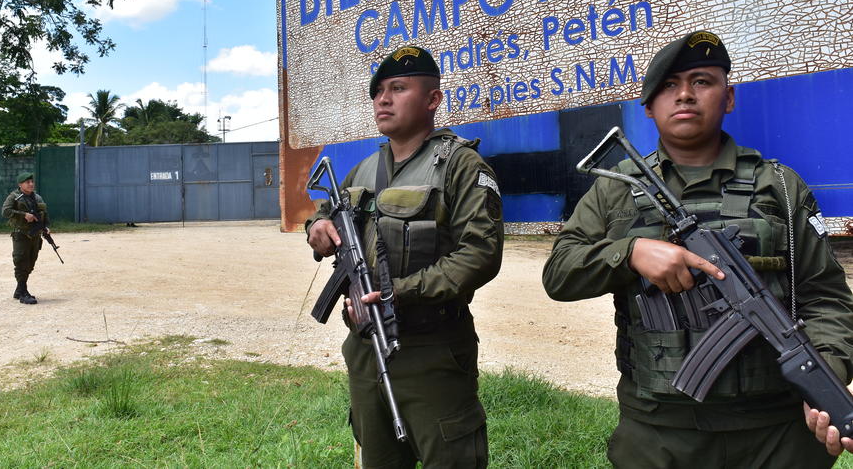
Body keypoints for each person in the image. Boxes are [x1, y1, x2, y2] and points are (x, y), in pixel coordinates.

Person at [542, 30, 853, 467]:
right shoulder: (615, 190)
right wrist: (629, 253)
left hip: (776, 432)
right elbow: (559, 274)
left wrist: (824, 377)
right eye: (669, 86)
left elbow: (826, 297)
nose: (685, 94)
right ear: (648, 107)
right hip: (658, 430)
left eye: (702, 81)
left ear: (728, 98)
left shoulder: (779, 186)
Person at [306, 45, 504, 468]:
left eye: (398, 88)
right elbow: (324, 214)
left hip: (431, 350)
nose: (383, 99)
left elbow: (481, 254)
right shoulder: (363, 170)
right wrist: (317, 229)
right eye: (378, 91)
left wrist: (399, 292)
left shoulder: (461, 166)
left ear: (433, 99)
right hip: (364, 349)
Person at [1, 172, 50, 305]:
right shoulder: (14, 197)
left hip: (35, 235)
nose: (31, 184)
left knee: (30, 263)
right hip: (21, 234)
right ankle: (23, 293)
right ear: (20, 184)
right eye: (27, 182)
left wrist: (46, 227)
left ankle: (19, 290)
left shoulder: (37, 197)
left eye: (31, 181)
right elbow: (5, 211)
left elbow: (44, 214)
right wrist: (24, 215)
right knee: (21, 262)